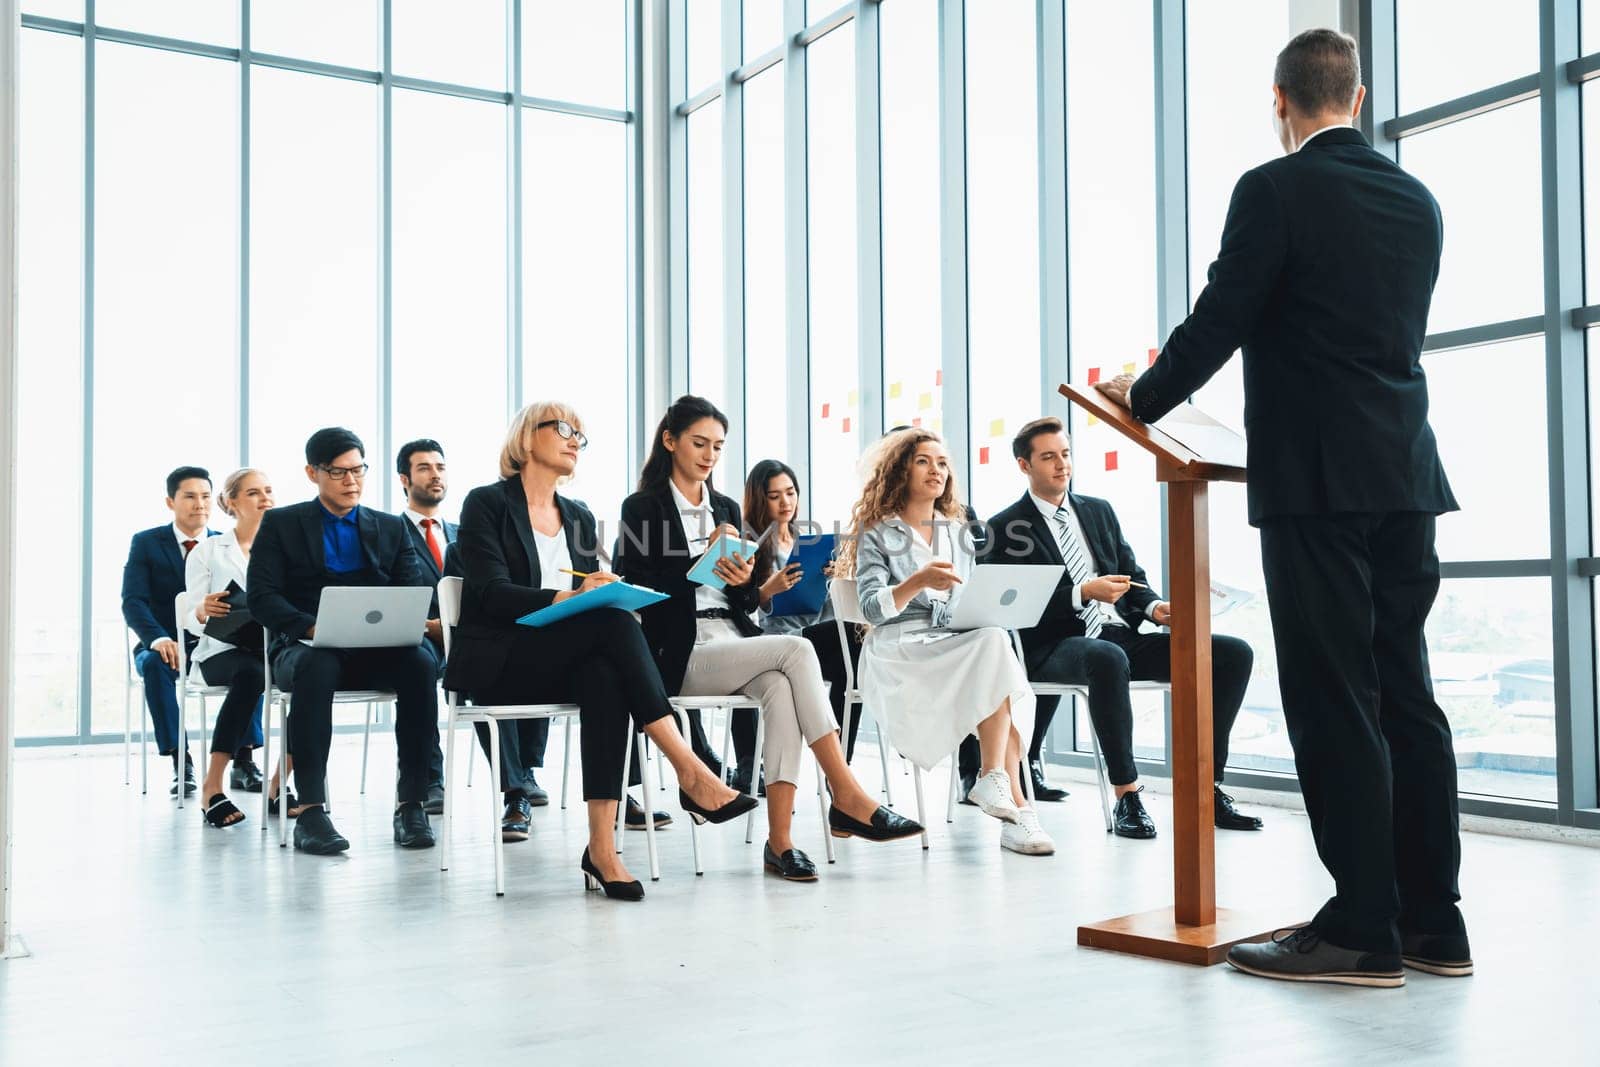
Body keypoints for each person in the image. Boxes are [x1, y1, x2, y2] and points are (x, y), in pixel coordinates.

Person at [1097, 29, 1467, 987]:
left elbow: (1224, 315)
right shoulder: (1416, 200)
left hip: (1316, 483)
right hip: (1405, 477)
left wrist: (1139, 396)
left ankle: (1359, 927)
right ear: (1358, 92)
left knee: (1333, 692)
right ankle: (1434, 921)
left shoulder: (1274, 189)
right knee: (1406, 693)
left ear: (1279, 100)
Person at [446, 402, 756, 898]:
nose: (575, 441)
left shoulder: (578, 516)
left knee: (605, 674)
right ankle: (691, 770)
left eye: (581, 436)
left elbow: (590, 596)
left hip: (561, 656)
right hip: (501, 659)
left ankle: (602, 851)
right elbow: (490, 594)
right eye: (564, 430)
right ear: (527, 438)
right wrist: (571, 596)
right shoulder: (486, 503)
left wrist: (601, 587)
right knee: (609, 627)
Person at [617, 395, 923, 882]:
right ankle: (844, 791)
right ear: (670, 441)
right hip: (681, 650)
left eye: (717, 446)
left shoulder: (722, 507)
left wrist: (738, 580)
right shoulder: (641, 508)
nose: (709, 455)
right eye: (699, 443)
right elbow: (636, 590)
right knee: (798, 648)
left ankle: (780, 843)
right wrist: (701, 567)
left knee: (781, 689)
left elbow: (742, 602)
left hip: (732, 636)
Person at [981, 418, 1262, 838]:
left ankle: (1207, 788)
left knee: (1231, 652)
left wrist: (1154, 607)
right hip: (1053, 645)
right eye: (1048, 457)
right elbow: (1007, 607)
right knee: (1105, 657)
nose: (1062, 465)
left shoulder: (1098, 511)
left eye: (1066, 454)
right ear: (1024, 465)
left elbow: (1131, 574)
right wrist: (1081, 593)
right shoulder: (1002, 527)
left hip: (1118, 635)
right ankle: (1126, 796)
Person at [840, 427, 1053, 857]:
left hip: (948, 639)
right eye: (923, 461)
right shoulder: (877, 531)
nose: (936, 470)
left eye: (942, 463)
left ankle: (1001, 788)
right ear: (901, 470)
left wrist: (982, 608)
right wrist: (916, 581)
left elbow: (962, 599)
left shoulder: (956, 530)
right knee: (998, 662)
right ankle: (1013, 805)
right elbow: (870, 610)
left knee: (994, 642)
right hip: (898, 649)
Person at [247, 427, 441, 855]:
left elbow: (412, 590)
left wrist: (397, 625)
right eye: (338, 473)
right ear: (312, 473)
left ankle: (412, 803)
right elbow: (261, 597)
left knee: (421, 663)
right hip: (306, 646)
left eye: (358, 471)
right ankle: (311, 811)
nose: (351, 481)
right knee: (318, 665)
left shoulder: (390, 528)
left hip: (377, 649)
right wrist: (311, 628)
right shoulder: (281, 524)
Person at [743, 459, 865, 764]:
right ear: (760, 499)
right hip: (776, 639)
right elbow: (741, 608)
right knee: (854, 641)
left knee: (853, 662)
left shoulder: (807, 541)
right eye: (774, 496)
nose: (786, 502)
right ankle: (838, 762)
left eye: (791, 492)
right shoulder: (749, 544)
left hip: (812, 635)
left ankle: (841, 759)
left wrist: (833, 579)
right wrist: (769, 589)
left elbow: (822, 608)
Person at [184, 468, 274, 827]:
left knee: (310, 669)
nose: (265, 498)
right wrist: (203, 610)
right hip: (219, 653)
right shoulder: (208, 551)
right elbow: (190, 613)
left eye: (268, 491)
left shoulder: (283, 551)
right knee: (252, 673)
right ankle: (213, 785)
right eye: (254, 493)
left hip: (269, 647)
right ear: (231, 502)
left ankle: (280, 785)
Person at [122, 466, 217, 797]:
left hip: (212, 644)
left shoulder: (222, 545)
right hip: (163, 644)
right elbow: (133, 601)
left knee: (249, 661)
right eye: (190, 496)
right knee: (152, 663)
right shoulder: (147, 543)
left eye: (205, 496)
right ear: (170, 501)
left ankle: (245, 759)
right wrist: (158, 637)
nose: (199, 504)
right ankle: (182, 761)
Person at [395, 438, 458, 814]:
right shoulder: (389, 531)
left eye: (440, 467)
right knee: (418, 667)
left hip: (465, 634)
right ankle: (430, 779)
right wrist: (426, 625)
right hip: (421, 636)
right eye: (424, 468)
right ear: (405, 479)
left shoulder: (465, 532)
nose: (435, 475)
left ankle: (518, 781)